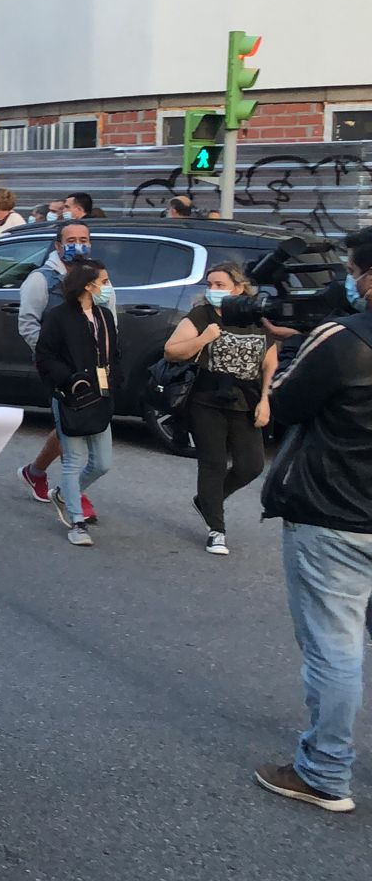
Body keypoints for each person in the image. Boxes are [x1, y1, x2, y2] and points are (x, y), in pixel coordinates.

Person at [252, 231, 372, 814]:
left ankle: (325, 770)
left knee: (334, 648)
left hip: (334, 515)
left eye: (351, 270)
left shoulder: (345, 341)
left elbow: (284, 405)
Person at [163, 263, 278, 555]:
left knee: (250, 466)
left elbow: (269, 362)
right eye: (210, 284)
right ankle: (217, 529)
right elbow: (171, 350)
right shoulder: (202, 315)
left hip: (246, 399)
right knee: (212, 463)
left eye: (220, 285)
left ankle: (207, 500)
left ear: (238, 288)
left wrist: (265, 399)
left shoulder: (255, 316)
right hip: (206, 399)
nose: (212, 290)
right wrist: (203, 338)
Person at [35, 259, 119, 547]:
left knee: (102, 463)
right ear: (88, 285)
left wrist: (114, 379)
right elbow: (44, 356)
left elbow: (113, 353)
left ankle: (62, 493)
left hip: (101, 396)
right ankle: (76, 521)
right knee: (73, 460)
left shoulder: (104, 315)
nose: (108, 287)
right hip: (70, 396)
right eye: (104, 281)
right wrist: (70, 380)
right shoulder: (59, 317)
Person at [17, 221, 98, 522]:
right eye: (72, 240)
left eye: (84, 239)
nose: (79, 245)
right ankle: (75, 495)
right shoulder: (42, 280)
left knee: (69, 423)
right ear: (58, 246)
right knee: (75, 423)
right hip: (59, 367)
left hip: (90, 364)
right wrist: (53, 357)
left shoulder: (95, 277)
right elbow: (27, 323)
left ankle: (35, 472)